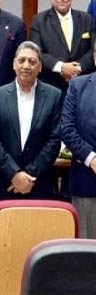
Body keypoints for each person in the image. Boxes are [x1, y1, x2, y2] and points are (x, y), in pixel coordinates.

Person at [0, 41, 62, 202]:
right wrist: (14, 174)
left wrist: (28, 176)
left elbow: (54, 140)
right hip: (5, 182)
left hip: (39, 182)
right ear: (14, 64)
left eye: (32, 61)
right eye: (21, 60)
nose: (26, 66)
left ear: (40, 67)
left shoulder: (54, 96)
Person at [29, 0, 95, 93]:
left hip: (82, 85)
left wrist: (76, 69)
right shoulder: (39, 20)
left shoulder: (86, 19)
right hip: (51, 86)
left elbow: (94, 49)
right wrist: (61, 67)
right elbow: (36, 51)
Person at [61, 40, 96, 238]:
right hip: (86, 181)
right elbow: (67, 129)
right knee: (87, 249)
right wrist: (92, 159)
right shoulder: (78, 85)